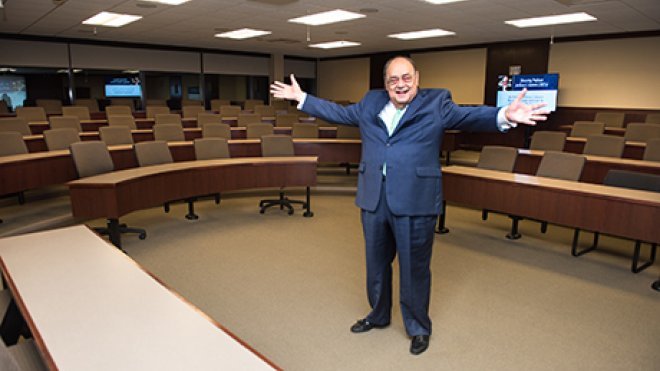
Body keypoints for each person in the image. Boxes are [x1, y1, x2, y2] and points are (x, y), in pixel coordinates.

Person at [270, 56, 549, 355]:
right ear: (385, 83)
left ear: (417, 77)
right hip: (374, 197)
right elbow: (338, 112)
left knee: (414, 269)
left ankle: (418, 327)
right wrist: (301, 98)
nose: (400, 84)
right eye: (393, 80)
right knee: (376, 265)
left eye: (406, 78)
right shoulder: (370, 101)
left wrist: (505, 114)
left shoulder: (437, 102)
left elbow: (470, 116)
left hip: (416, 199)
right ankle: (377, 315)